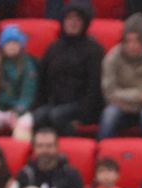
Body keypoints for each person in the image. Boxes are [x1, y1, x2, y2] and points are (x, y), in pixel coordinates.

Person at [33, 1, 104, 136]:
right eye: (69, 18)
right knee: (38, 116)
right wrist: (38, 105)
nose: (73, 23)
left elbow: (94, 88)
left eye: (77, 19)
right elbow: (42, 82)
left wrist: (83, 114)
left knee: (57, 116)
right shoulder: (53, 48)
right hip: (56, 103)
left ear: (84, 23)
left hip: (82, 106)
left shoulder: (94, 50)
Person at [98, 13, 142, 139]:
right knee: (109, 114)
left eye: (136, 41)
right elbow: (109, 93)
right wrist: (141, 96)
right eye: (128, 41)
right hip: (123, 106)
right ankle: (103, 153)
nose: (132, 45)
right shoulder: (112, 58)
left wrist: (126, 97)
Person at [16, 128, 85, 188]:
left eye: (49, 146)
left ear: (57, 147)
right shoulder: (26, 175)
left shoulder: (71, 175)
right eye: (40, 146)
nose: (44, 150)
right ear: (34, 148)